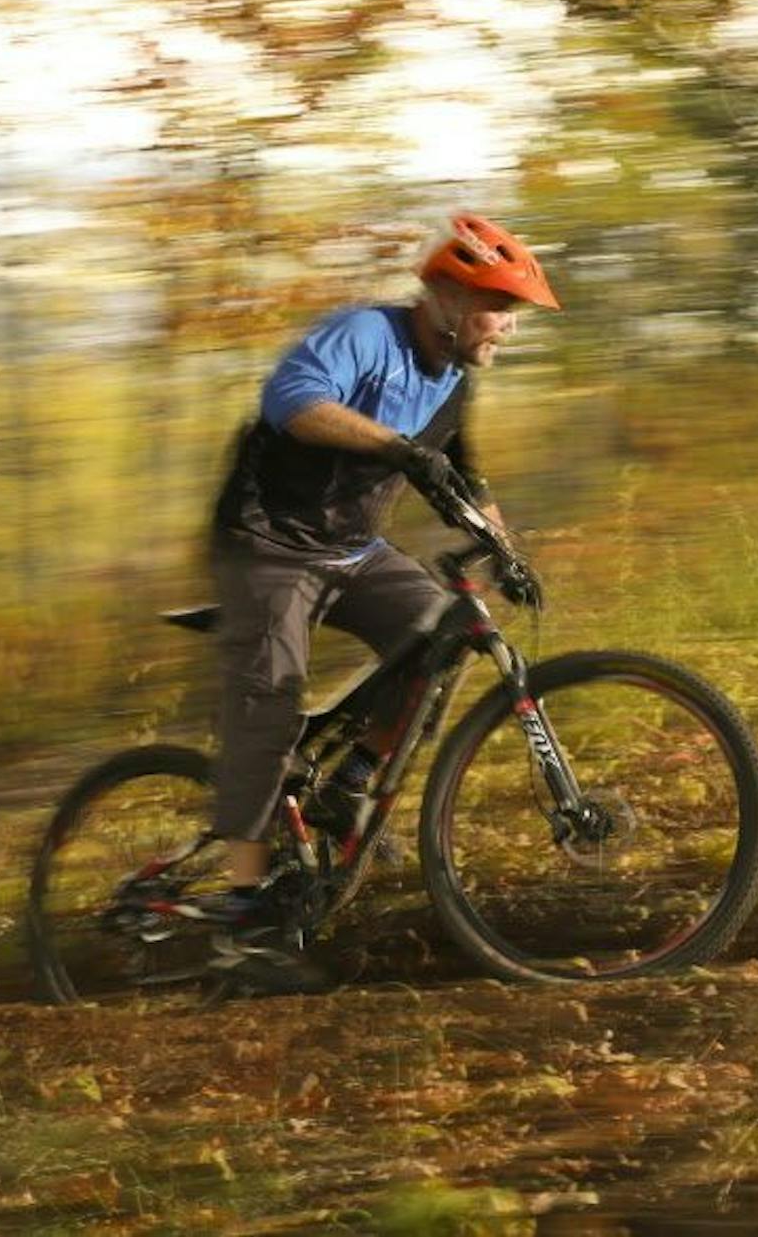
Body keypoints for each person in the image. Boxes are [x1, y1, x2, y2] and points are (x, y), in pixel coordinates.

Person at [201, 213, 561, 993]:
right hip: (268, 543)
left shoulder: (456, 378)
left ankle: (348, 778)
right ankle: (240, 915)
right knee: (269, 701)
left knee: (441, 632)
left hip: (354, 549)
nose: (507, 329)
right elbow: (290, 400)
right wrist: (395, 448)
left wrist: (508, 553)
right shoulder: (366, 333)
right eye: (500, 309)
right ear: (450, 299)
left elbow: (463, 472)